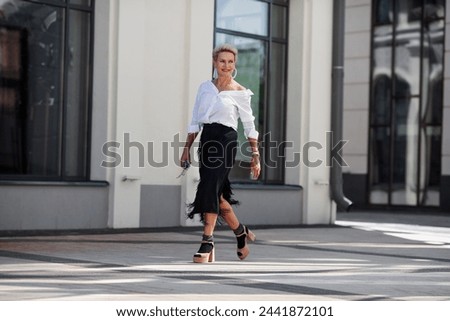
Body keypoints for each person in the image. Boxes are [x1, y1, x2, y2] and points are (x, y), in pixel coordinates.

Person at [180, 44, 261, 263]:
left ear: (234, 65)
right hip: (207, 139)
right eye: (222, 61)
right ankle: (240, 232)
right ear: (215, 63)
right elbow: (195, 120)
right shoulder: (204, 88)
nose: (226, 65)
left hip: (226, 140)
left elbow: (249, 125)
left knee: (209, 187)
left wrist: (255, 156)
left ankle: (207, 240)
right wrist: (186, 149)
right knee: (216, 193)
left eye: (230, 62)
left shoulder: (240, 92)